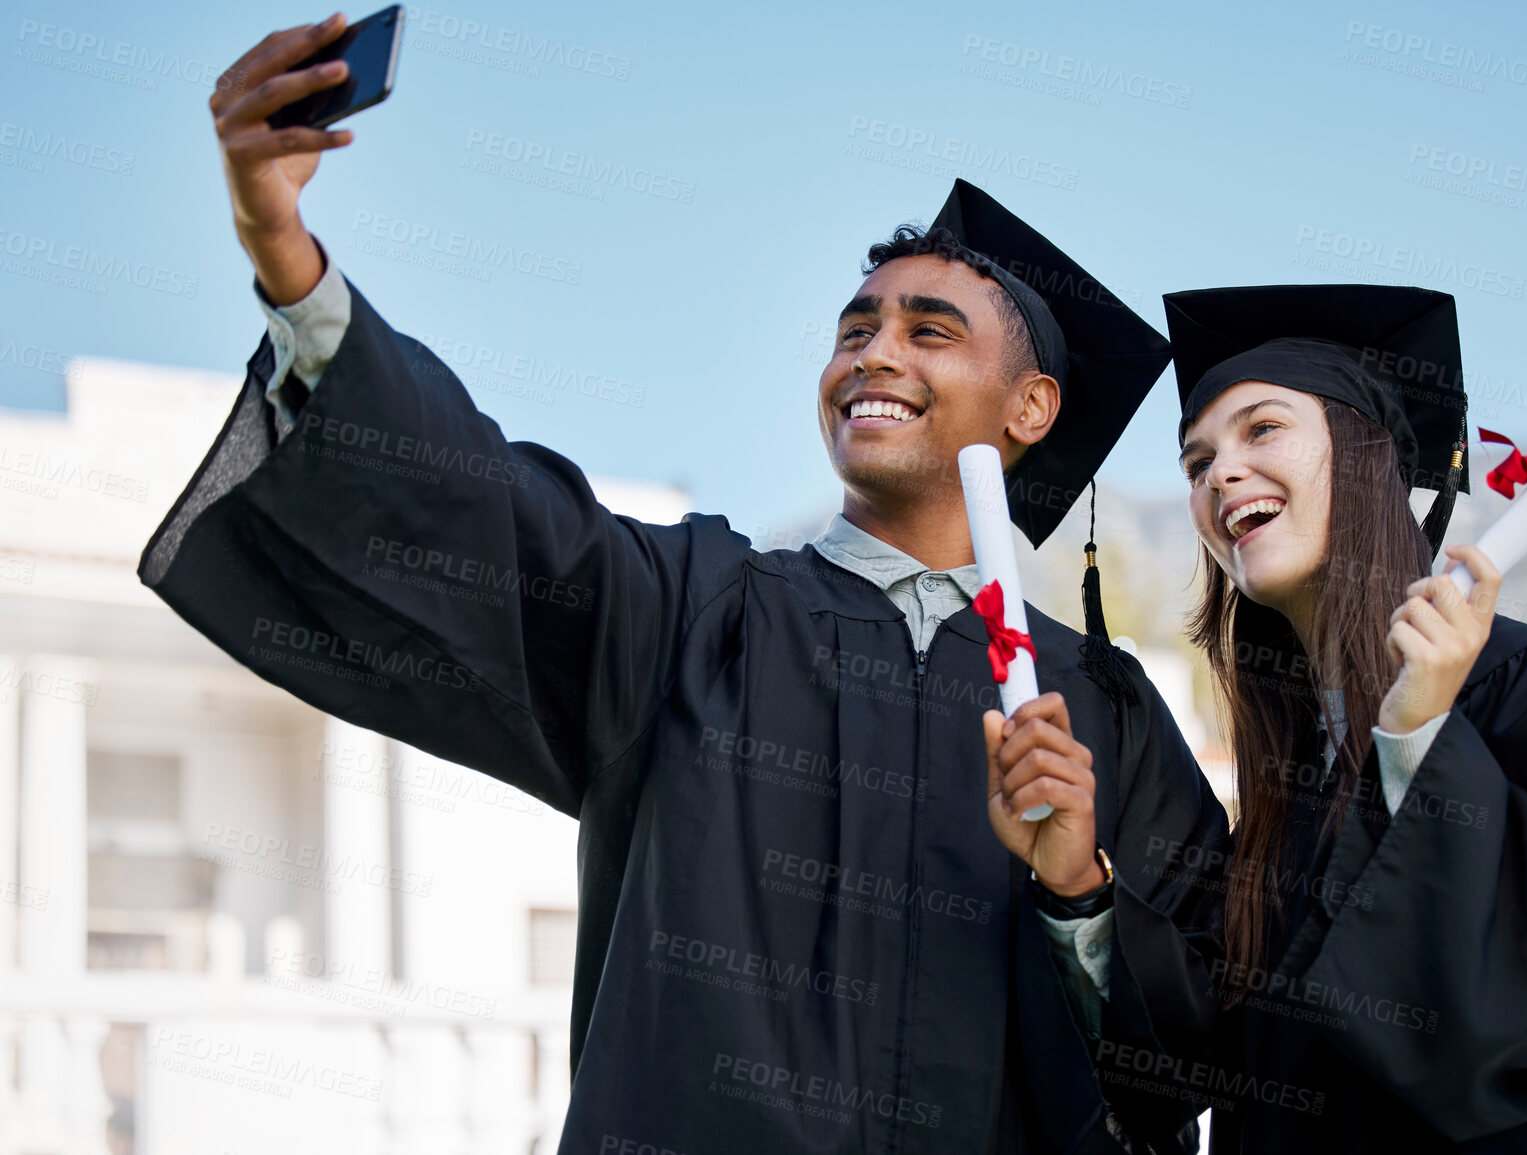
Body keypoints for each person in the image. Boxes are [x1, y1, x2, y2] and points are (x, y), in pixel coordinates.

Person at [141, 17, 1230, 1154]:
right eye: (854, 327)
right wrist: (286, 253)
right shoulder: (693, 612)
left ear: (1031, 409)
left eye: (929, 329)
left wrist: (1080, 889)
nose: (871, 353)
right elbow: (480, 496)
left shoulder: (1099, 709)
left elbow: (1184, 1066)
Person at [1158, 283, 1527, 1153]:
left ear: (1363, 453)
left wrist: (1418, 736)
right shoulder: (1285, 757)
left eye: (1261, 429)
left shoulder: (1507, 678)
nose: (1220, 472)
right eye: (1196, 462)